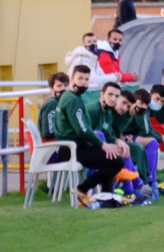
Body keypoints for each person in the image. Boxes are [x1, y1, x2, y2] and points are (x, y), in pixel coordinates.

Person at [51, 65, 124, 203]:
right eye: (80, 78)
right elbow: (82, 130)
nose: (84, 82)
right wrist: (102, 145)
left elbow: (87, 129)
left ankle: (106, 197)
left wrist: (113, 143)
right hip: (71, 150)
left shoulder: (73, 97)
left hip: (76, 147)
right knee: (116, 162)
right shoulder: (72, 100)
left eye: (86, 79)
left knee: (111, 158)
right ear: (72, 79)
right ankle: (83, 189)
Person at [39, 72, 69, 141]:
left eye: (65, 85)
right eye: (59, 86)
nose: (63, 88)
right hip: (53, 144)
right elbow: (48, 133)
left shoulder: (62, 102)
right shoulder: (51, 104)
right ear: (51, 89)